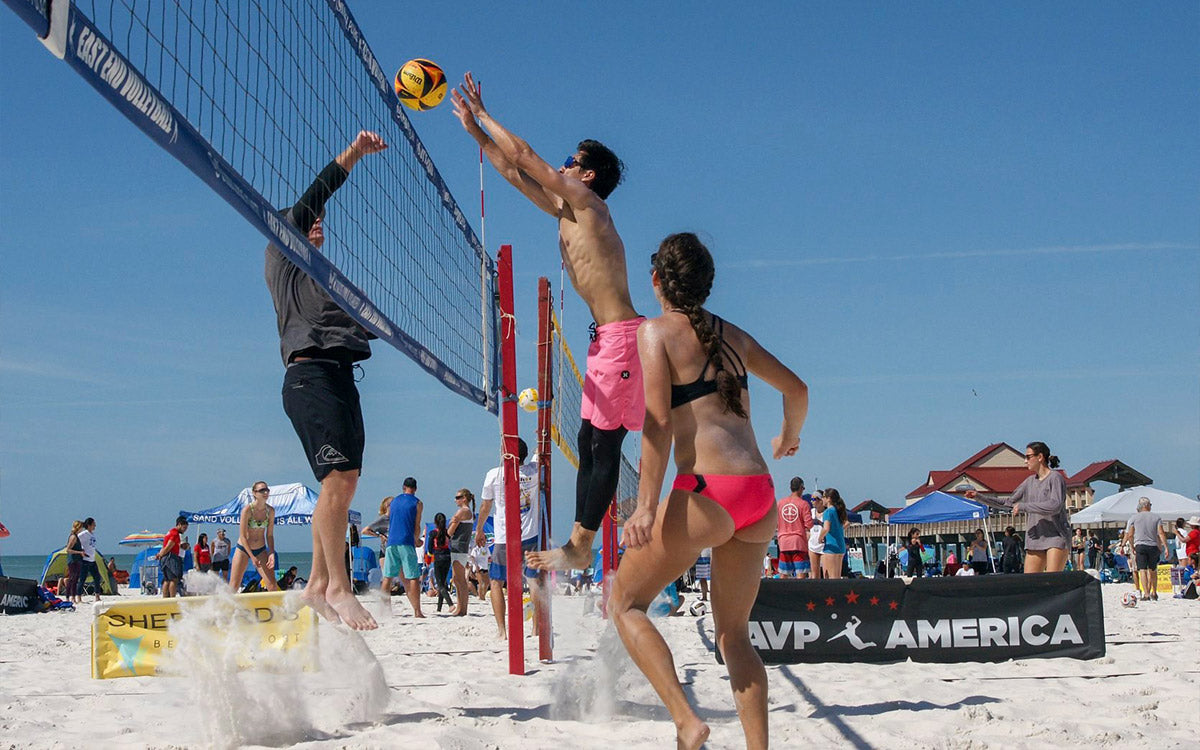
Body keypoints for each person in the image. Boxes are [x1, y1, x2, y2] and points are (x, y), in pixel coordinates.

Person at [609, 233, 808, 750]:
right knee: (735, 636)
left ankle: (685, 720)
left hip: (708, 491)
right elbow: (798, 389)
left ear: (657, 280)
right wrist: (789, 435)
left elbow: (656, 423)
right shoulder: (734, 336)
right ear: (707, 284)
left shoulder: (655, 333)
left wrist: (647, 507)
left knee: (626, 603)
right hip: (759, 493)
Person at [452, 76, 643, 575]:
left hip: (624, 337)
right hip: (607, 340)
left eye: (573, 161)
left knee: (605, 445)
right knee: (587, 444)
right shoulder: (566, 209)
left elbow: (527, 155)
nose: (563, 166)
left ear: (590, 175)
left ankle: (582, 545)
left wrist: (483, 109)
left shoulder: (589, 204)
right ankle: (581, 541)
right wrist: (475, 132)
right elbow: (514, 172)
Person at [265, 130, 388, 631]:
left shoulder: (329, 282)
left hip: (341, 376)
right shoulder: (284, 258)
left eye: (319, 222)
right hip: (308, 373)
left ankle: (316, 584)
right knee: (336, 480)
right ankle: (338, 585)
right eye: (308, 219)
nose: (317, 222)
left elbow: (361, 329)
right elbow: (318, 190)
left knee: (346, 484)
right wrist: (354, 155)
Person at [476, 439, 543, 639]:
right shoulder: (534, 470)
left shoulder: (494, 474)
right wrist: (540, 439)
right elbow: (540, 453)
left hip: (505, 537)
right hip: (530, 534)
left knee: (496, 582)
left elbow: (485, 506)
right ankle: (535, 628)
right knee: (533, 580)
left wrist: (479, 529)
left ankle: (502, 630)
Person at [1003, 441, 1071, 573]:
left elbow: (1055, 505)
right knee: (1030, 585)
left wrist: (1024, 506)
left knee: (1052, 583)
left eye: (1028, 457)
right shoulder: (1029, 482)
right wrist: (978, 496)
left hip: (1056, 537)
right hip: (1035, 538)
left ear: (1040, 457)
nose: (1025, 461)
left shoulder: (1055, 478)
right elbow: (1009, 502)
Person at [381, 478, 424, 617]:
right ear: (415, 489)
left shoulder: (393, 502)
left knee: (387, 577)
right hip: (406, 541)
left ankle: (386, 611)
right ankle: (417, 612)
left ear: (403, 487)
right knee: (413, 577)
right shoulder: (417, 503)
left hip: (392, 541)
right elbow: (416, 525)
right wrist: (416, 540)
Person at [228, 481, 279, 593]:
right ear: (254, 493)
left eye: (267, 490)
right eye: (262, 490)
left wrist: (271, 553)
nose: (265, 492)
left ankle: (274, 609)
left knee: (272, 585)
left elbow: (269, 535)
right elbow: (242, 536)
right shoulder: (247, 510)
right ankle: (223, 609)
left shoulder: (270, 511)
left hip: (260, 549)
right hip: (244, 549)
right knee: (233, 586)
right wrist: (251, 556)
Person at [1123, 497, 1168, 601]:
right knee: (1153, 570)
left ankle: (1146, 594)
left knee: (1142, 570)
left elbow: (1130, 534)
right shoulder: (1156, 517)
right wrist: (1166, 547)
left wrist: (1132, 546)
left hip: (1140, 545)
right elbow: (1161, 533)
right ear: (1148, 506)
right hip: (1153, 545)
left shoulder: (1133, 518)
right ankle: (1154, 592)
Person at [776, 477, 814, 578]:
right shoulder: (803, 504)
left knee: (783, 573)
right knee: (801, 572)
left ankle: (782, 593)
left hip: (783, 542)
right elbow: (809, 524)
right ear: (801, 488)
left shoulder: (780, 503)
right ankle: (800, 593)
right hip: (798, 542)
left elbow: (776, 523)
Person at [447, 488, 475, 616]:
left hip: (459, 546)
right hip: (461, 547)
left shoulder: (463, 511)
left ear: (464, 498)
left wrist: (454, 520)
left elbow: (450, 531)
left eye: (458, 497)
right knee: (457, 579)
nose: (455, 500)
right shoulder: (468, 512)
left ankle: (462, 608)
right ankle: (461, 607)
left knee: (460, 579)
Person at [156, 516, 188, 598]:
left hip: (166, 557)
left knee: (167, 579)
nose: (185, 530)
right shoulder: (175, 534)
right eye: (184, 527)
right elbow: (168, 546)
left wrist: (160, 554)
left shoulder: (170, 532)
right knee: (174, 579)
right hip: (170, 557)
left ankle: (165, 598)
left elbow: (165, 546)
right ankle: (172, 598)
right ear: (179, 525)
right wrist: (161, 554)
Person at [818, 489, 848, 580]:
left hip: (831, 546)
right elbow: (846, 523)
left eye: (823, 497)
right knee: (837, 576)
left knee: (830, 577)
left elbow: (826, 528)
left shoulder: (828, 512)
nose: (822, 499)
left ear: (829, 499)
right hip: (840, 545)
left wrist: (820, 537)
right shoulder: (838, 510)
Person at [429, 512, 454, 613]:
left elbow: (430, 549)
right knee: (443, 583)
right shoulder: (447, 532)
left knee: (440, 584)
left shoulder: (433, 533)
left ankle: (451, 604)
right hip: (447, 557)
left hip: (438, 557)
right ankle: (439, 608)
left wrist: (430, 554)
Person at [76, 517, 102, 602]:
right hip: (85, 559)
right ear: (89, 525)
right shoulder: (84, 534)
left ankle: (97, 596)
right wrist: (81, 549)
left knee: (97, 577)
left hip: (92, 559)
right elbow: (76, 540)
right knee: (82, 579)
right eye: (93, 524)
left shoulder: (92, 534)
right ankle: (79, 597)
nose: (95, 526)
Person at [63, 520, 84, 604]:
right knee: (72, 579)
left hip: (77, 560)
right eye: (81, 527)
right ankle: (68, 597)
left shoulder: (76, 536)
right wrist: (79, 552)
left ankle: (73, 597)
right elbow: (68, 549)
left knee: (75, 579)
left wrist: (81, 551)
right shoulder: (73, 537)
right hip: (73, 560)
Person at [807, 491, 825, 580]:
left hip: (824, 546)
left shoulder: (827, 513)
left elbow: (844, 523)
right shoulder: (811, 512)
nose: (812, 501)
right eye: (811, 499)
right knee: (814, 575)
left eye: (814, 499)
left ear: (821, 500)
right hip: (812, 545)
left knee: (826, 573)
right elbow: (806, 527)